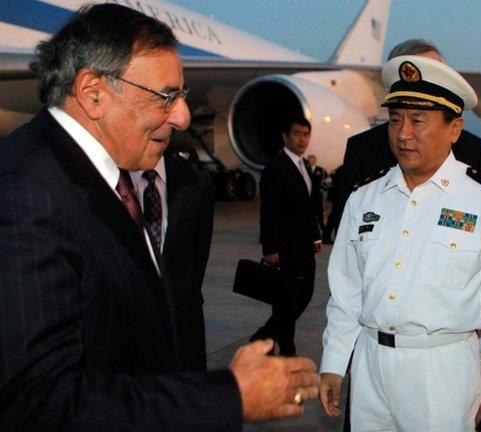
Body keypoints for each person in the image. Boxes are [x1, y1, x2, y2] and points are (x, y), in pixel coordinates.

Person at [0, 5, 319, 430]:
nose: (183, 116)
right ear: (93, 93)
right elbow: (39, 404)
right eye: (165, 96)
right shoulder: (27, 192)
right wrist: (229, 396)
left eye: (182, 95)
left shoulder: (96, 177)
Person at [319, 55, 481, 432]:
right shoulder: (364, 198)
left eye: (418, 121)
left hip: (441, 372)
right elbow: (347, 293)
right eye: (395, 119)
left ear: (455, 129)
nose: (403, 133)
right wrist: (334, 362)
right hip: (369, 367)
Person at [339, 39, 481, 211]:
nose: (404, 135)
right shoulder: (362, 148)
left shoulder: (472, 149)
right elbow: (346, 219)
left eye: (434, 72)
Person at [130, 153, 215, 371]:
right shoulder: (105, 179)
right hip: (128, 330)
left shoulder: (196, 181)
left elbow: (199, 253)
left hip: (183, 322)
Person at [252, 115, 323, 356]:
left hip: (304, 245)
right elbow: (269, 210)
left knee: (302, 296)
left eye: (306, 134)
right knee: (287, 300)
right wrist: (270, 248)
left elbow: (310, 205)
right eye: (297, 134)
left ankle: (263, 339)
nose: (302, 139)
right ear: (285, 136)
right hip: (284, 247)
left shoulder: (304, 165)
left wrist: (316, 236)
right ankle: (285, 348)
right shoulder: (275, 167)